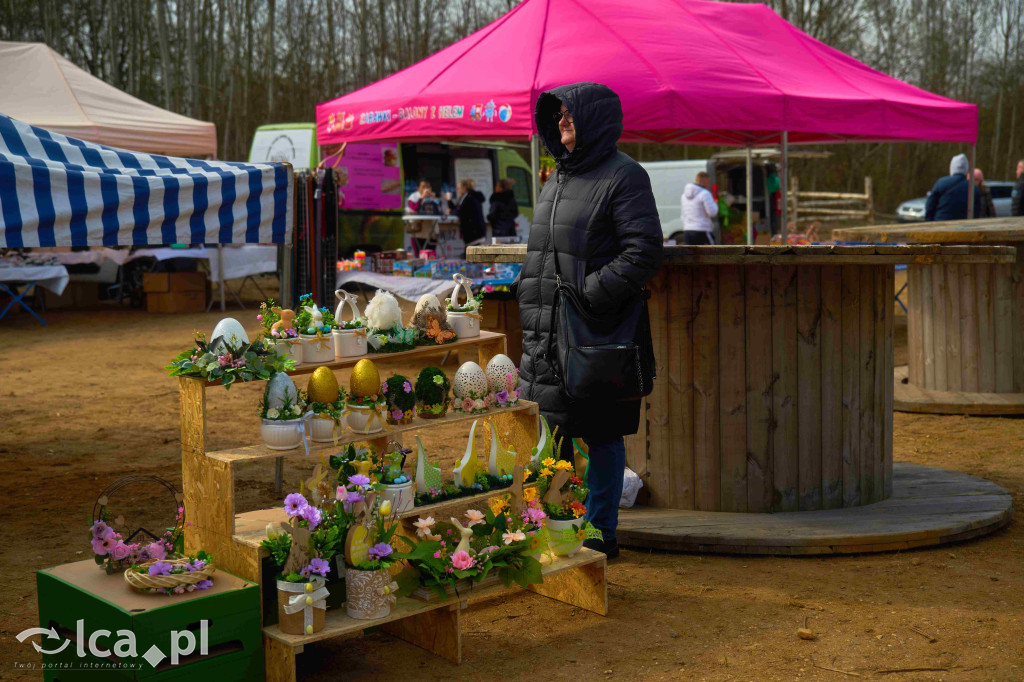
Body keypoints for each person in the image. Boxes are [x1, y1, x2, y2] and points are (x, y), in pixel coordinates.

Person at [515, 82, 663, 560]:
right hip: (544, 334)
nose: (561, 121)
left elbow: (643, 251)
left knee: (601, 433)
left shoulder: (624, 176)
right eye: (557, 115)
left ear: (594, 119)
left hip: (594, 333)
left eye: (570, 114)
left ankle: (601, 533)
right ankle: (558, 528)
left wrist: (586, 295)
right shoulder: (556, 178)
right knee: (551, 434)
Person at [925, 153, 981, 221]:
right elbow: (976, 212)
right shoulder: (973, 188)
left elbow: (930, 205)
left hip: (941, 222)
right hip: (963, 225)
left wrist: (929, 221)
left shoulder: (941, 183)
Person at [681, 171, 719, 244]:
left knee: (690, 251)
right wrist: (715, 202)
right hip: (702, 230)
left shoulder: (684, 196)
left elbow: (682, 214)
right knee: (712, 250)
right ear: (705, 181)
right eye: (708, 182)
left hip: (687, 231)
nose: (709, 184)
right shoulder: (705, 193)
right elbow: (712, 212)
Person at [446, 178, 486, 246]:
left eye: (458, 188)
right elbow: (457, 208)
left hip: (474, 232)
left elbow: (462, 212)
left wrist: (451, 211)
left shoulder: (469, 198)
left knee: (471, 250)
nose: (457, 191)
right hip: (472, 232)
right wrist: (449, 201)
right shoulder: (465, 198)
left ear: (464, 189)